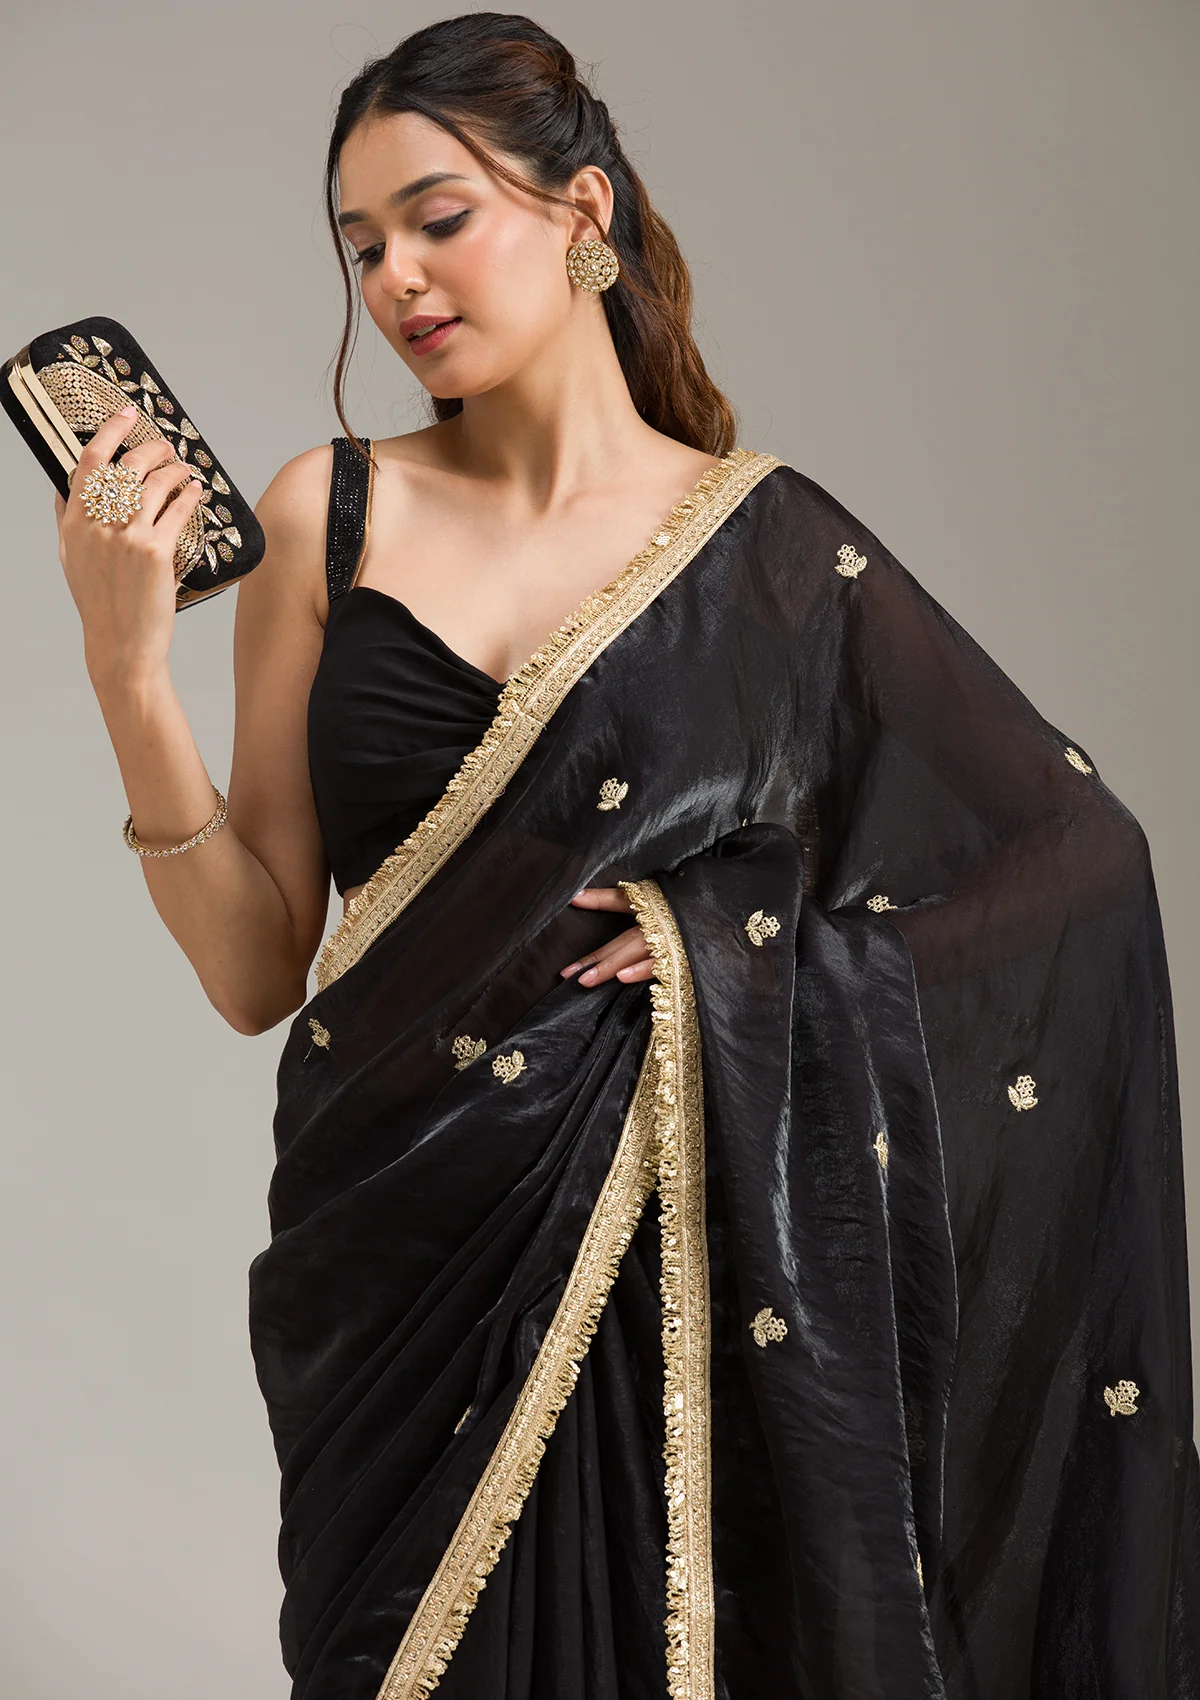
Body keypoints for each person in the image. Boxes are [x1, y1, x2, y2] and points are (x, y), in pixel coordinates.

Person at [52, 11, 1200, 1699]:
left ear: (583, 212)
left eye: (441, 218)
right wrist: (125, 671)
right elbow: (252, 968)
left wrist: (731, 959)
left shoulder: (770, 553)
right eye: (361, 246)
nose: (397, 279)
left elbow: (1075, 859)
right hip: (402, 1266)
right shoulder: (326, 516)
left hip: (671, 1266)